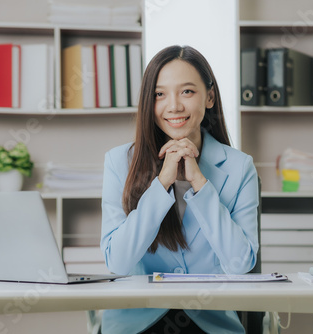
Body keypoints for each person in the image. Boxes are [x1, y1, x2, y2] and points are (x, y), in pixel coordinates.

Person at [100, 45, 259, 334]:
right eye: (160, 94)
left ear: (209, 97)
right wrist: (161, 184)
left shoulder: (239, 167)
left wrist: (200, 184)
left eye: (187, 91)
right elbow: (119, 262)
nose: (173, 106)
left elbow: (241, 264)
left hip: (210, 322)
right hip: (136, 322)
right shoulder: (118, 162)